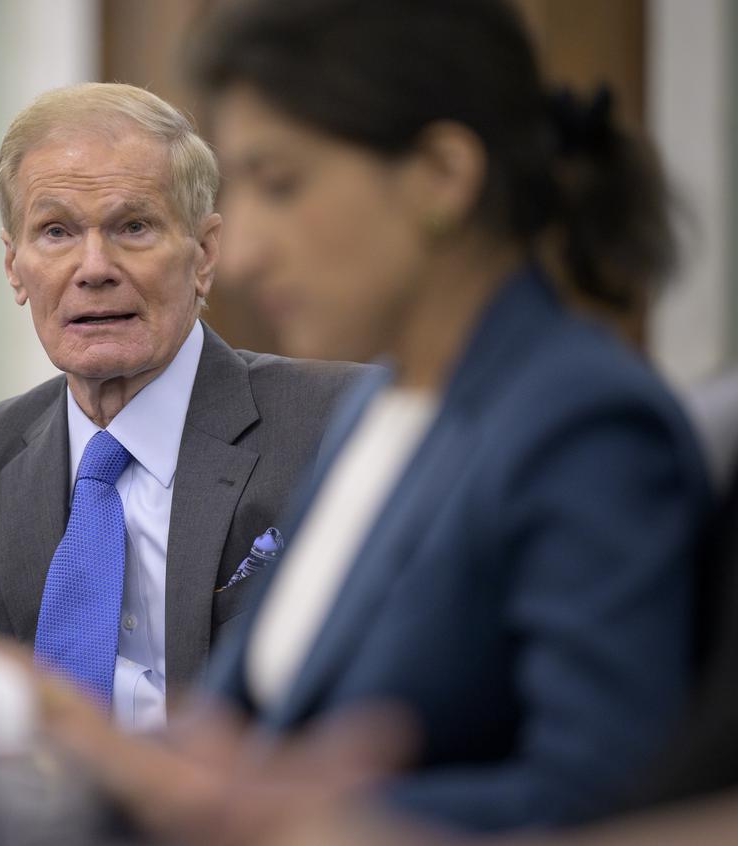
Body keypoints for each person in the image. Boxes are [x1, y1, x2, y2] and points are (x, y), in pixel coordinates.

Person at [36, 0, 713, 834]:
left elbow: (609, 803)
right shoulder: (377, 407)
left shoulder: (588, 427)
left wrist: (295, 812)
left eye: (281, 184)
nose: (241, 255)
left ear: (440, 175)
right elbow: (241, 733)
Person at [0, 83, 363, 731]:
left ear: (204, 254)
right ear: (14, 266)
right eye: (56, 232)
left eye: (133, 227)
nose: (93, 268)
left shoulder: (340, 425)